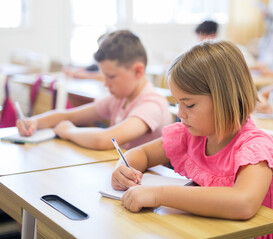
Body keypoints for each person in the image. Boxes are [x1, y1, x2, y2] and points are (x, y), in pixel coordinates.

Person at [111, 41, 273, 239]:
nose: (180, 113)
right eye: (177, 103)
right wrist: (123, 168)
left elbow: (243, 203)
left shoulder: (255, 147)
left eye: (189, 105)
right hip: (210, 231)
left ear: (225, 99)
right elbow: (142, 153)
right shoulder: (191, 136)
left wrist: (158, 195)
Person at [16, 30, 172, 150]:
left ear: (138, 71)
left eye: (111, 77)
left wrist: (69, 131)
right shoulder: (120, 98)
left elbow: (105, 139)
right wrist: (35, 121)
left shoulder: (152, 104)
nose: (105, 84)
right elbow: (70, 115)